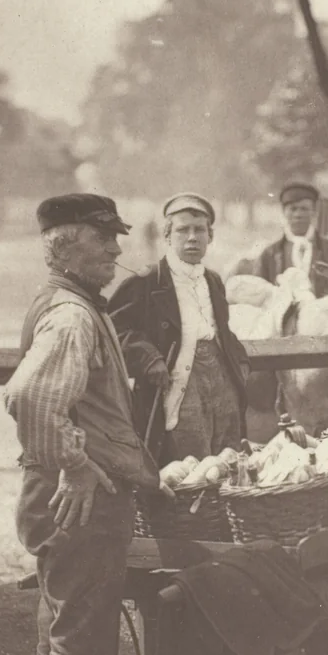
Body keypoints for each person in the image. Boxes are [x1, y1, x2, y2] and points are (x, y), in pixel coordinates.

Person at [4, 193, 168, 655]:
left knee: (57, 649)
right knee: (82, 654)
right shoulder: (72, 316)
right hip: (80, 505)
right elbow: (31, 397)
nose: (117, 249)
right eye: (105, 238)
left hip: (65, 505)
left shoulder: (66, 304)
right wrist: (73, 465)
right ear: (67, 243)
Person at [109, 192, 249, 464]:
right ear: (167, 236)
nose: (192, 237)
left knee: (226, 458)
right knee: (188, 466)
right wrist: (148, 357)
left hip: (221, 383)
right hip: (176, 385)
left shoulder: (213, 281)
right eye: (183, 230)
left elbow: (221, 330)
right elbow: (113, 328)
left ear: (211, 236)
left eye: (200, 230)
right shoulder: (148, 280)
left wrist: (240, 361)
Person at [230, 181, 328, 297]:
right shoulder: (269, 254)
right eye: (293, 209)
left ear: (314, 212)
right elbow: (258, 292)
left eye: (304, 209)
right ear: (284, 212)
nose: (298, 214)